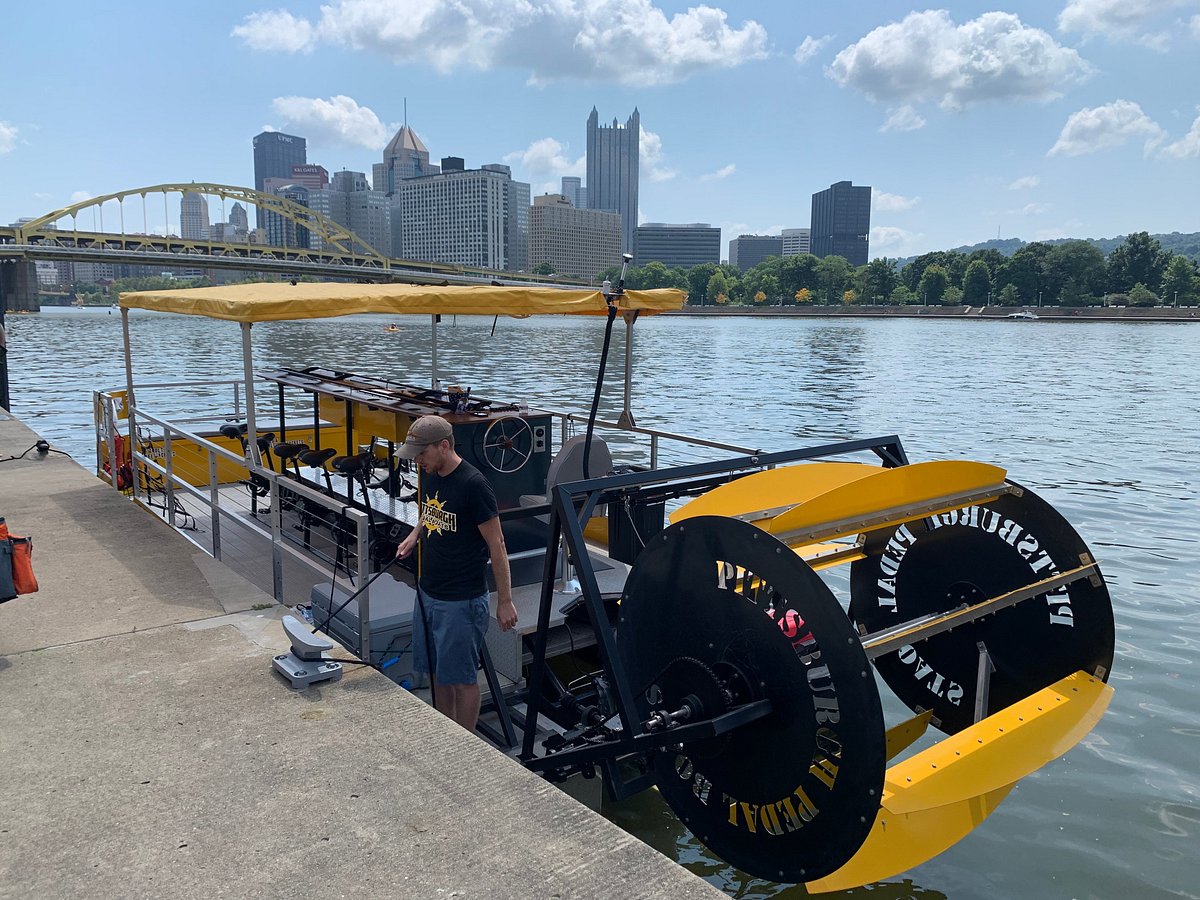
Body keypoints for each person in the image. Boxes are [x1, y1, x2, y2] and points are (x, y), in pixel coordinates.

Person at [395, 415, 517, 731]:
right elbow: (430, 509)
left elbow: (498, 544)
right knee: (436, 671)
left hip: (461, 601)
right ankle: (443, 731)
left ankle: (464, 742)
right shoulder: (431, 472)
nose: (417, 460)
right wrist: (415, 533)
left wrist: (505, 600)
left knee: (462, 679)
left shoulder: (474, 485)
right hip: (427, 592)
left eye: (421, 453)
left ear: (444, 446)